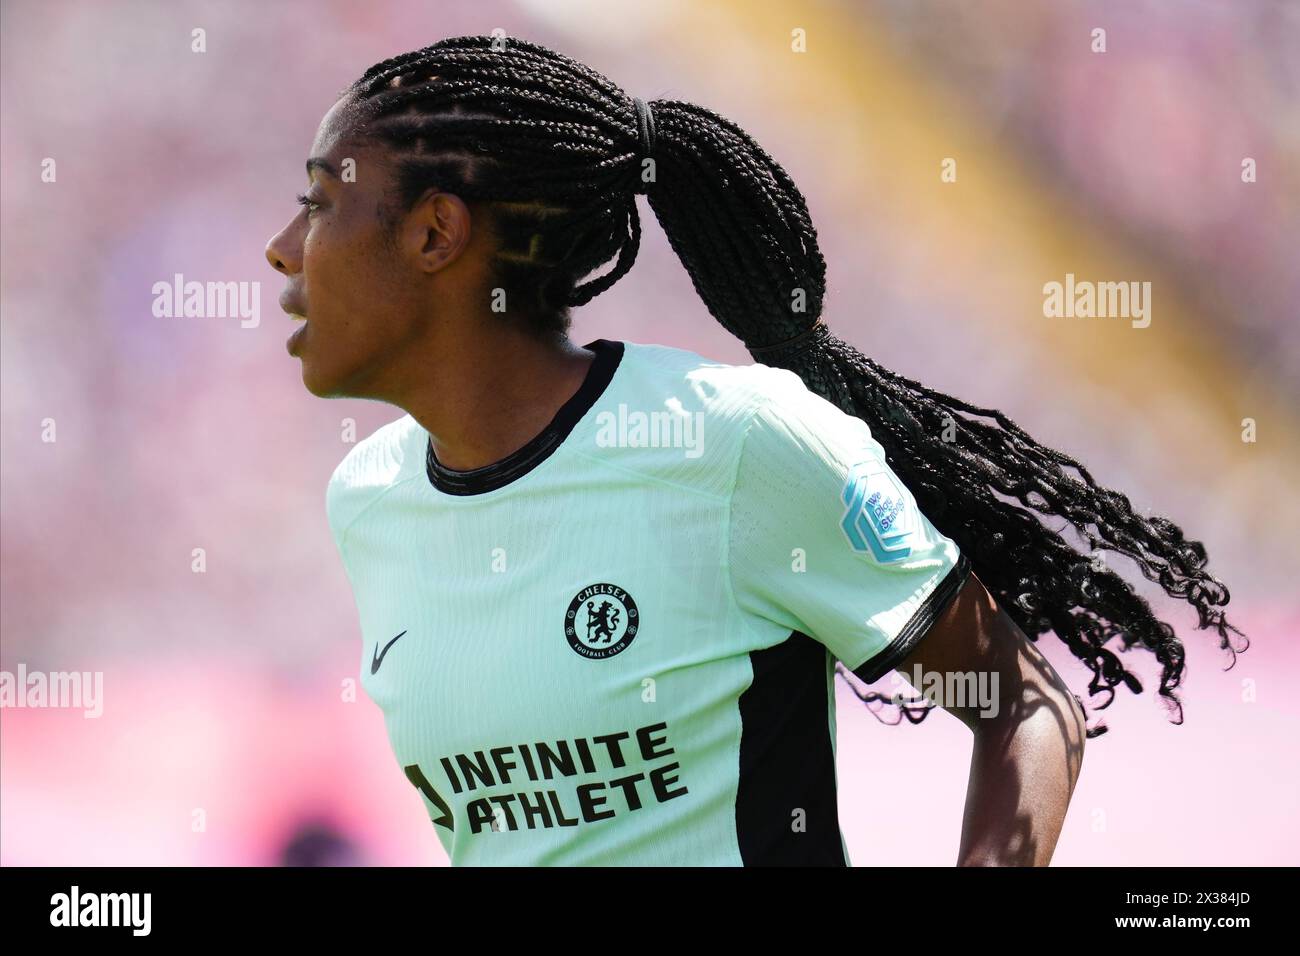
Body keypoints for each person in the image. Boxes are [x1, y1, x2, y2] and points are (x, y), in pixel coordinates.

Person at [264, 35, 1243, 866]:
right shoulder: (370, 498)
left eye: (318, 203)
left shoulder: (732, 442)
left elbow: (1021, 704)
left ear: (436, 232)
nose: (280, 248)